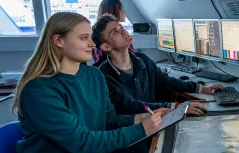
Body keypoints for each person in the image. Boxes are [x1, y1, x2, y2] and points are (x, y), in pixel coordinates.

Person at [13, 12, 168, 153]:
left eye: (91, 37)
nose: (92, 44)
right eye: (84, 38)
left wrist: (138, 118)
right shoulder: (38, 90)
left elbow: (109, 120)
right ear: (58, 41)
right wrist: (142, 130)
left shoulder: (94, 76)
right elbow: (82, 143)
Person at [92, 14, 223, 116]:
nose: (124, 32)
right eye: (115, 32)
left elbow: (166, 81)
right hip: (135, 127)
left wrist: (200, 88)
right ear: (106, 46)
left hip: (154, 116)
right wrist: (175, 107)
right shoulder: (103, 75)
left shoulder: (142, 60)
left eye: (121, 27)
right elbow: (131, 106)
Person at [93, 0, 133, 67]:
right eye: (122, 8)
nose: (125, 12)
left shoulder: (97, 35)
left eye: (120, 28)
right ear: (117, 10)